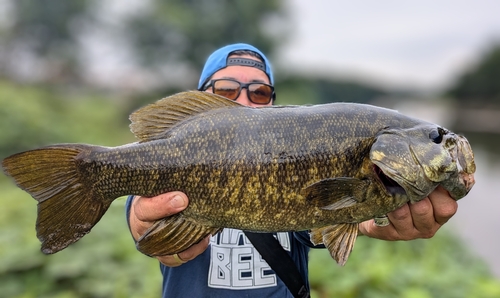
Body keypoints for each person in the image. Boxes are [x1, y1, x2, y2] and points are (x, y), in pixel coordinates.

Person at [126, 43, 458, 297]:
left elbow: (317, 223)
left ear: (275, 104)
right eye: (226, 91)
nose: (243, 101)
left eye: (259, 92)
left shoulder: (303, 155)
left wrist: (365, 222)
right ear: (200, 102)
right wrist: (144, 225)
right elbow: (141, 213)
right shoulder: (164, 162)